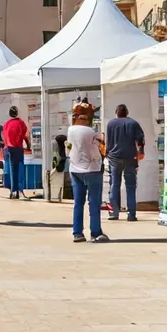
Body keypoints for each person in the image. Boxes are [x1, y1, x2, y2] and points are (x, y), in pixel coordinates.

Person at [68, 102, 108, 243]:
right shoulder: (91, 132)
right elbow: (97, 151)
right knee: (94, 202)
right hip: (92, 169)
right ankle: (95, 232)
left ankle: (77, 232)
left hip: (74, 168)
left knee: (78, 202)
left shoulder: (71, 130)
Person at [105, 103, 146, 220]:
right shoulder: (133, 123)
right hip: (130, 158)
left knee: (114, 185)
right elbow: (140, 140)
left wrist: (107, 154)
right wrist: (141, 152)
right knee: (131, 186)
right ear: (127, 112)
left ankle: (115, 212)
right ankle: (131, 214)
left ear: (116, 112)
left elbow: (109, 141)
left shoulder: (111, 123)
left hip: (114, 158)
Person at [2, 105, 31, 200]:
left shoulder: (6, 124)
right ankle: (19, 190)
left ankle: (12, 191)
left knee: (10, 169)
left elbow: (4, 137)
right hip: (17, 148)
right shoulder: (20, 123)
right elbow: (25, 136)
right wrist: (28, 146)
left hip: (7, 149)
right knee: (19, 168)